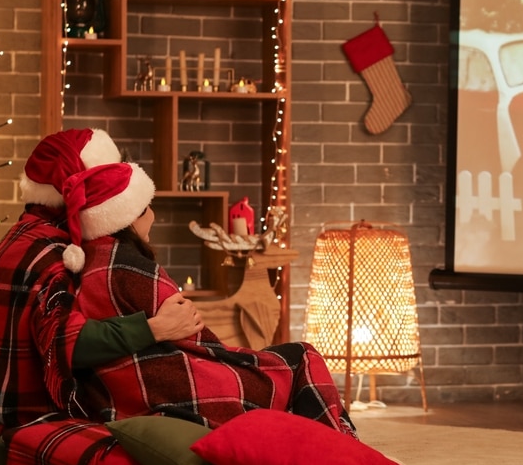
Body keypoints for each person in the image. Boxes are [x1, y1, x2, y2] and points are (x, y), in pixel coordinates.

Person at [58, 157, 356, 436]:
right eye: (148, 208)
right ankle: (342, 443)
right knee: (302, 356)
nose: (154, 215)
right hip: (172, 388)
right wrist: (244, 361)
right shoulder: (132, 266)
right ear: (129, 217)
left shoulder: (86, 263)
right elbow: (200, 340)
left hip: (119, 396)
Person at [0, 128, 203, 445]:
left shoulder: (30, 233)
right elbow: (67, 341)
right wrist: (154, 328)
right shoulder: (53, 254)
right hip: (19, 421)